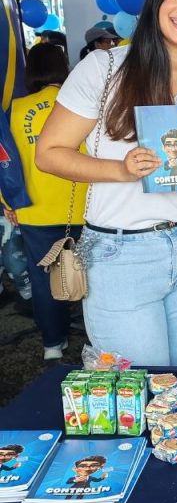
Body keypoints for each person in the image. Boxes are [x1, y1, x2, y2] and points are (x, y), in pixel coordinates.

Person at [36, 0, 177, 365]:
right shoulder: (105, 67)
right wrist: (122, 170)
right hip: (120, 253)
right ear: (155, 4)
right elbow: (49, 154)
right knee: (141, 388)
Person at [7, 43, 87, 359]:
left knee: (43, 280)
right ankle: (99, 340)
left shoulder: (15, 110)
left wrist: (8, 202)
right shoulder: (82, 102)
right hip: (84, 205)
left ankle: (53, 344)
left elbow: (5, 162)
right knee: (94, 275)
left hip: (34, 210)